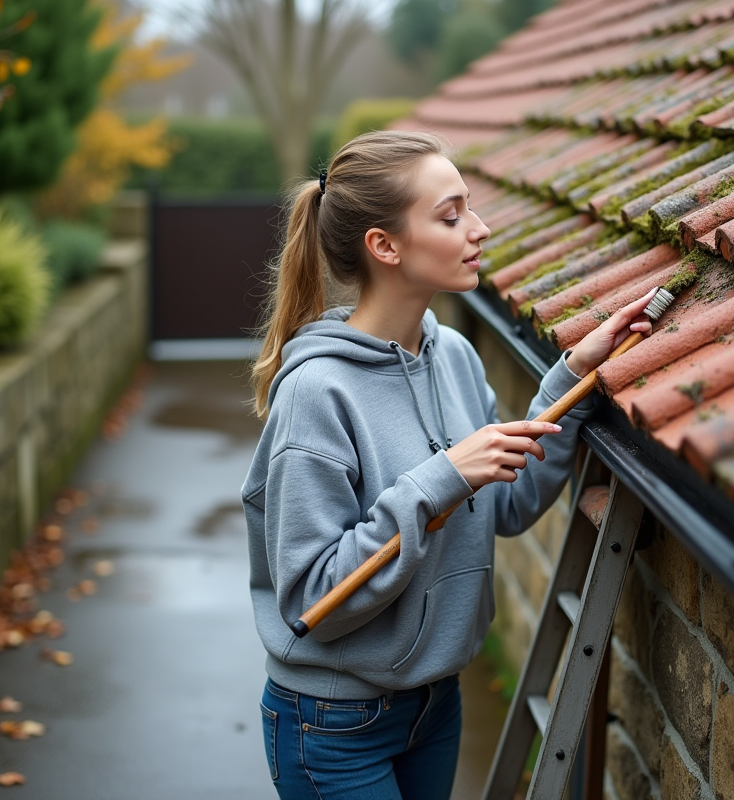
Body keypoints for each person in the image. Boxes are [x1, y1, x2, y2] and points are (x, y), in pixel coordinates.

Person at [242, 130, 657, 800]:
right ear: (385, 246)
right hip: (333, 722)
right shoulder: (317, 395)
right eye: (451, 215)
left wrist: (569, 380)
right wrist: (439, 481)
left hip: (435, 704)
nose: (480, 228)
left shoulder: (455, 355)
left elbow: (507, 506)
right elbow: (310, 600)